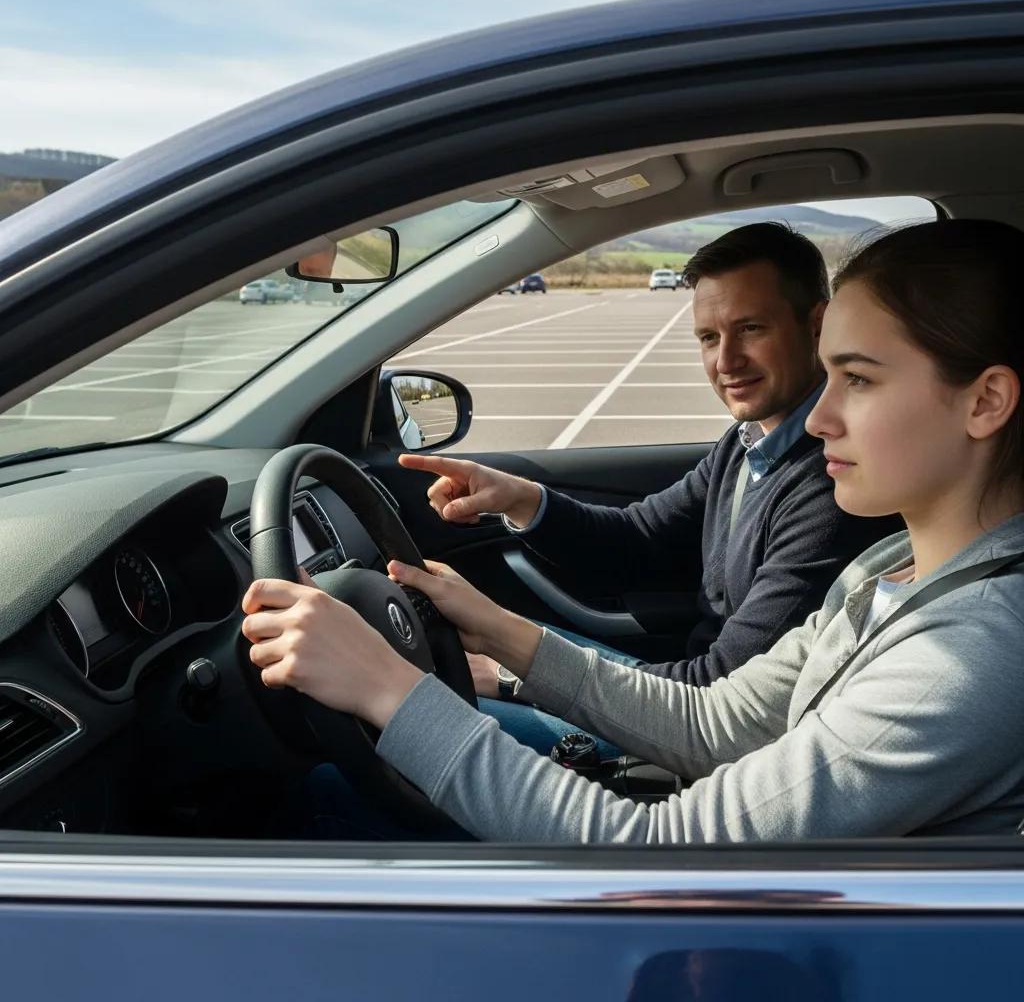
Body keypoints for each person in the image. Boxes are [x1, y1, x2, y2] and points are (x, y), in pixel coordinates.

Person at [243, 218, 1024, 843]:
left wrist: (390, 689)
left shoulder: (971, 656)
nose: (820, 417)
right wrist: (501, 631)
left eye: (857, 379)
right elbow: (718, 720)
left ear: (985, 402)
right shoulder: (891, 568)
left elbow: (663, 849)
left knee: (322, 802)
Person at [399, 222, 898, 757]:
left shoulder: (835, 487)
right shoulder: (751, 440)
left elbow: (720, 698)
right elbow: (639, 541)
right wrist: (519, 498)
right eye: (708, 338)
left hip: (687, 728)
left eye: (750, 329)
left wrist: (512, 672)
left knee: (405, 728)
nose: (725, 361)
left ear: (817, 326)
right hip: (676, 695)